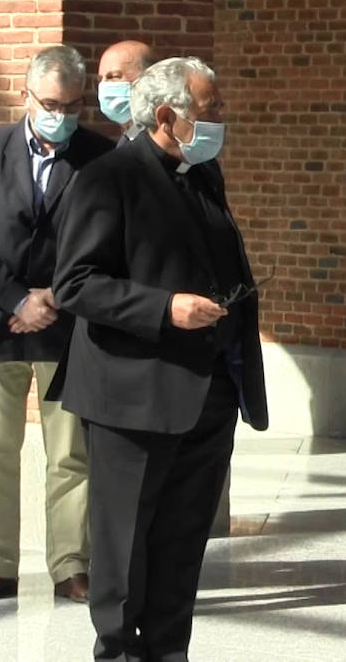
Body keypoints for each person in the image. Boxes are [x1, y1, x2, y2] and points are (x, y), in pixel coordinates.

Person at [51, 56, 270, 661]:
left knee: (182, 546)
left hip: (209, 393)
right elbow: (76, 284)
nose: (222, 118)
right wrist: (164, 307)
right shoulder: (109, 178)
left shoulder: (204, 174)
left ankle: (169, 652)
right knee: (124, 550)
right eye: (211, 109)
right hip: (133, 397)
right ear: (168, 115)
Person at [0, 44, 111, 605]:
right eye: (50, 103)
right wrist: (15, 300)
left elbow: (106, 238)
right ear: (27, 96)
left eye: (73, 105)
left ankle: (69, 565)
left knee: (70, 453)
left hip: (67, 323)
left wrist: (54, 296)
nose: (61, 115)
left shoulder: (99, 157)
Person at [96, 40, 156, 147]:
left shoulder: (160, 142)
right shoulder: (129, 137)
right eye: (100, 79)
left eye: (114, 77)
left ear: (148, 79)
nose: (104, 85)